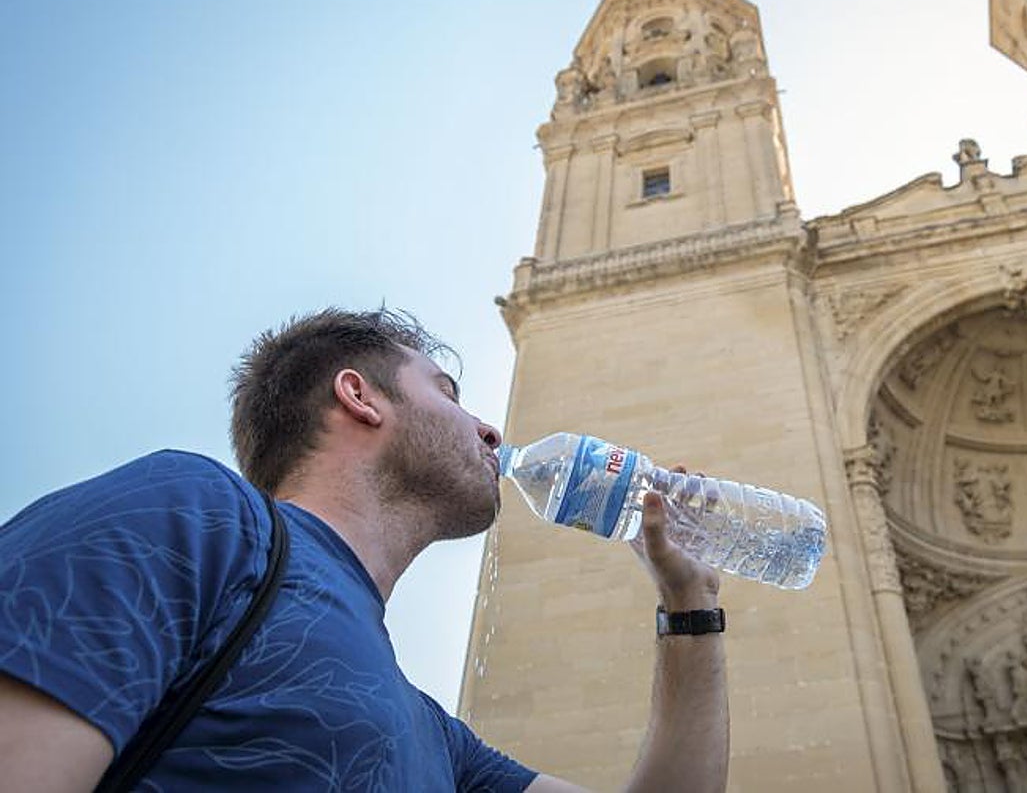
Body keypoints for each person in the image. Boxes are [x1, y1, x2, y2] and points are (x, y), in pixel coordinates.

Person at [0, 308, 729, 792]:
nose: (490, 431)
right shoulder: (191, 513)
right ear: (360, 396)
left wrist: (689, 606)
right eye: (448, 393)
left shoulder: (436, 737)